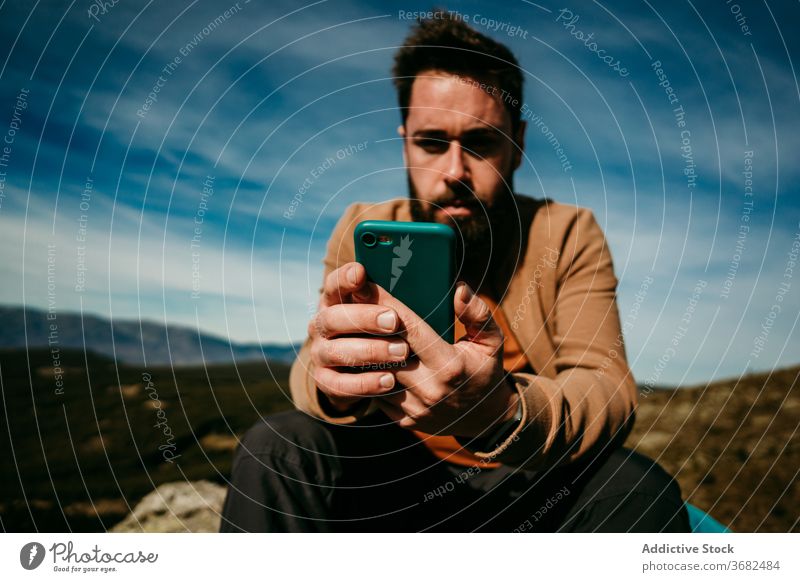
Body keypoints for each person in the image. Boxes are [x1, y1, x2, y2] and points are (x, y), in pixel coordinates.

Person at [220, 11, 690, 533]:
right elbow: (316, 360)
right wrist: (333, 383)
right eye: (431, 143)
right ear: (405, 141)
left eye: (482, 143)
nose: (453, 173)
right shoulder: (362, 226)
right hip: (391, 476)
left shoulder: (567, 233)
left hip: (524, 477)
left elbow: (605, 386)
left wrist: (502, 411)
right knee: (276, 447)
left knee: (635, 487)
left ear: (518, 143)